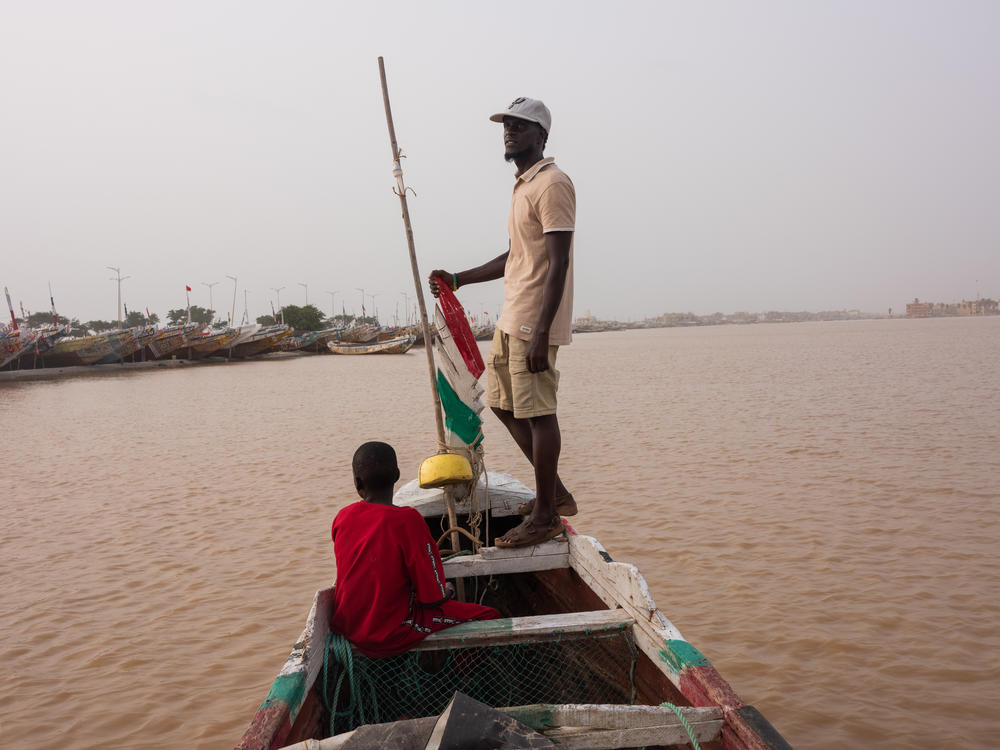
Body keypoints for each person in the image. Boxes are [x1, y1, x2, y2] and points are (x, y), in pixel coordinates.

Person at [429, 97, 576, 548]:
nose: (509, 131)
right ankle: (554, 493)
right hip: (513, 316)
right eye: (506, 125)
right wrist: (459, 279)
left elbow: (558, 263)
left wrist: (543, 331)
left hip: (534, 320)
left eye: (520, 125)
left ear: (541, 135)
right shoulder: (523, 187)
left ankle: (547, 513)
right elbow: (516, 255)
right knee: (501, 403)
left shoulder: (552, 184)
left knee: (539, 410)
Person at [329, 441, 499, 658]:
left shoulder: (343, 517)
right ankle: (464, 676)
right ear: (397, 475)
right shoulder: (408, 520)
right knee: (488, 615)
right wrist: (447, 589)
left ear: (357, 482)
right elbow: (433, 598)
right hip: (391, 630)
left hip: (348, 627)